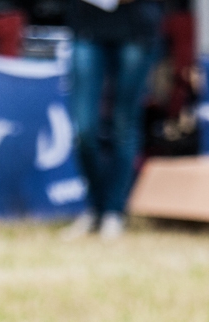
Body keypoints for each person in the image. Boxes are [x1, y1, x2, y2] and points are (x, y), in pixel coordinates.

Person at [63, 0, 162, 239]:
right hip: (87, 25)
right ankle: (96, 207)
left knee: (124, 124)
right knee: (84, 129)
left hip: (135, 28)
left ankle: (114, 210)